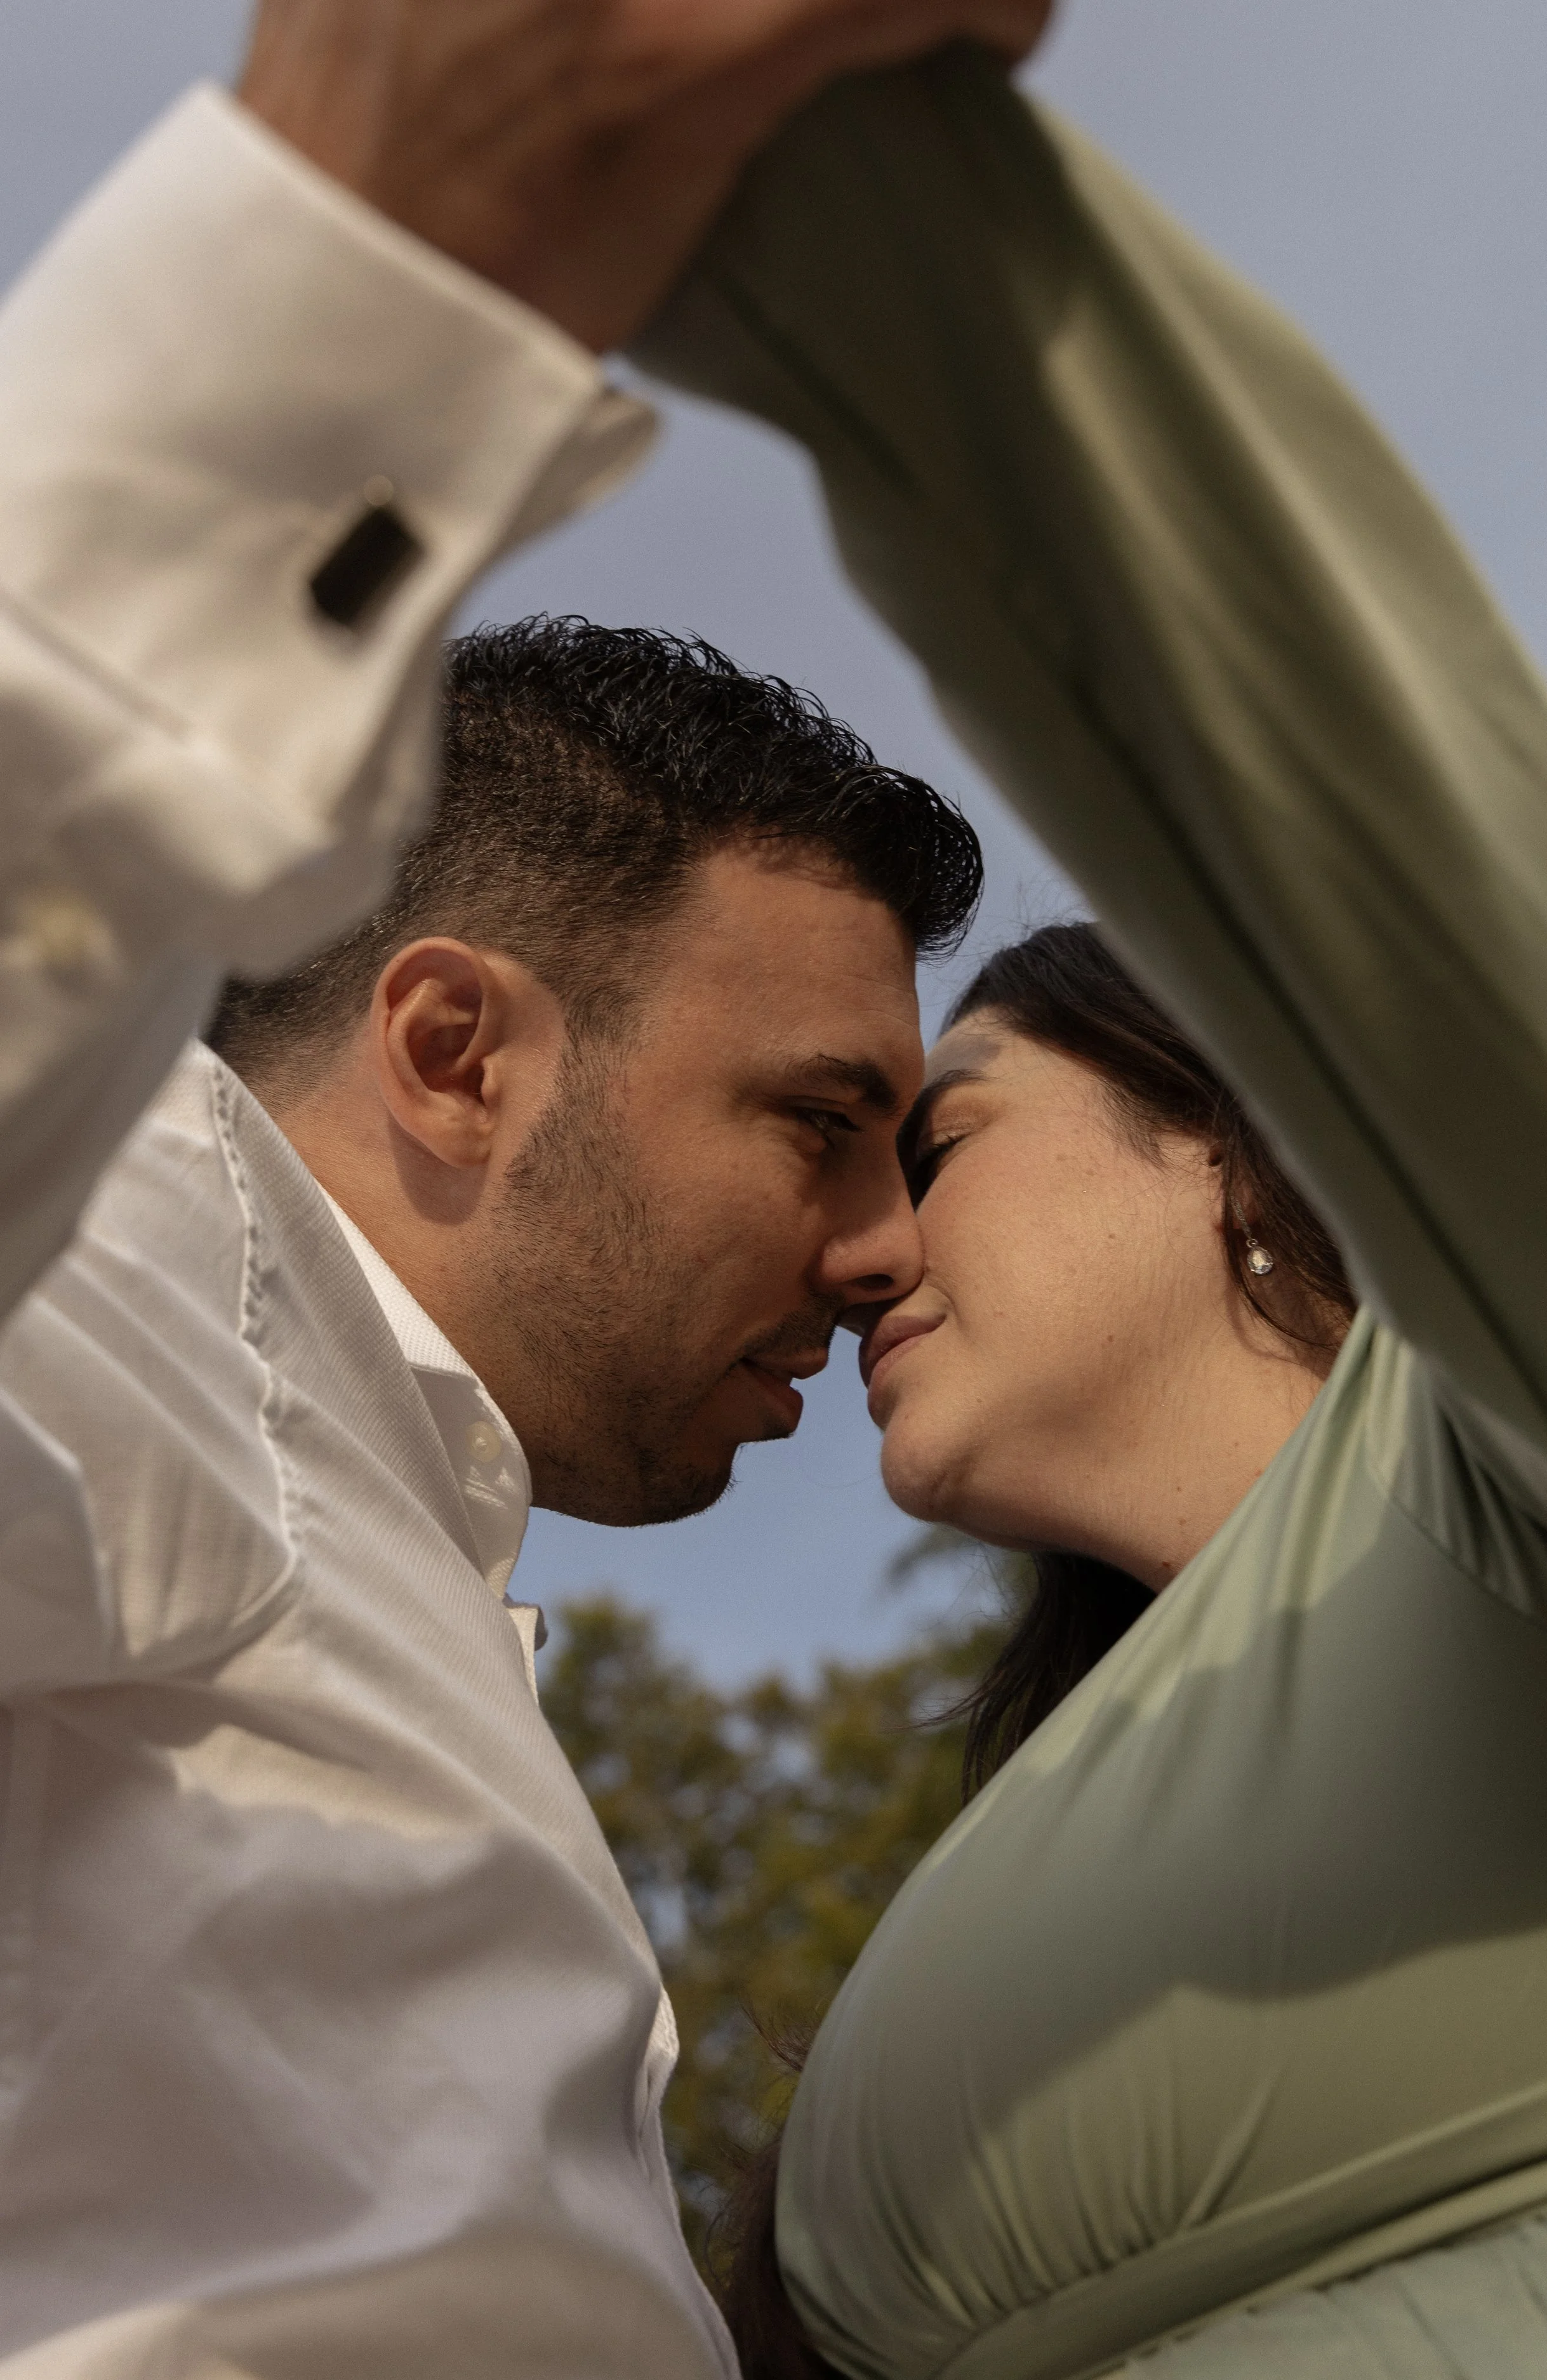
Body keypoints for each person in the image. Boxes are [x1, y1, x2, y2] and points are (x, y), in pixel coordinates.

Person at [0, 2, 1046, 2372]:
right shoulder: (150, 1268)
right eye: (814, 1118)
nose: (887, 1242)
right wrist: (343, 265)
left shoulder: (376, 1514)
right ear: (455, 1053)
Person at [640, 38, 1547, 2380]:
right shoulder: (1125, 1762)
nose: (852, 1246)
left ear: (1241, 1118)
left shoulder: (1502, 1463)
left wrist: (805, 170)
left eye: (934, 1134)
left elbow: (1334, 787)